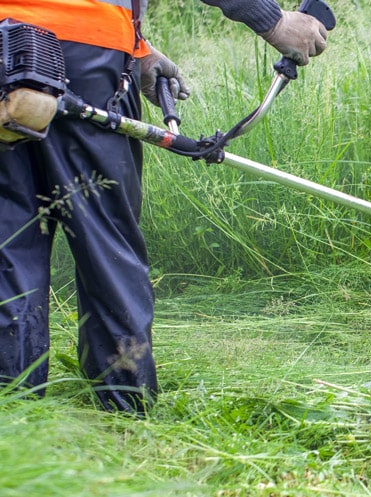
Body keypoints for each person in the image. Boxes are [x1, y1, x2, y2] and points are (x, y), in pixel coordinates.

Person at [0, 0, 327, 414]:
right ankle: (125, 413)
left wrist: (138, 48)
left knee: (8, 240)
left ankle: (12, 417)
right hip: (84, 48)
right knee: (106, 248)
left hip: (8, 48)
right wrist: (274, 20)